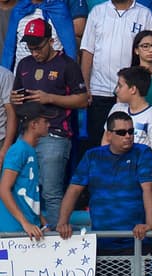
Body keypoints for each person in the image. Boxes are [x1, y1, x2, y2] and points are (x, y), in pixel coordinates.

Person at [12, 20, 89, 226]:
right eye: (30, 48)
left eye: (38, 47)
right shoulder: (24, 64)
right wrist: (15, 100)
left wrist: (50, 98)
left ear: (51, 40)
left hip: (55, 134)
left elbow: (83, 99)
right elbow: (16, 97)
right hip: (26, 135)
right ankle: (25, 237)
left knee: (51, 192)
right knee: (21, 188)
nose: (34, 52)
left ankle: (57, 241)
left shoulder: (67, 65)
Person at [80, 0, 152, 138]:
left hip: (131, 94)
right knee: (99, 142)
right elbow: (88, 50)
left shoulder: (145, 14)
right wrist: (85, 85)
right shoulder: (97, 12)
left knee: (128, 141)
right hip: (99, 91)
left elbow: (150, 54)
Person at [0, 102, 54, 241]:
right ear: (34, 125)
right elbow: (4, 189)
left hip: (31, 229)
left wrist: (43, 222)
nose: (49, 125)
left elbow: (30, 194)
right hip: (15, 231)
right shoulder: (19, 150)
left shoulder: (29, 150)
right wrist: (25, 223)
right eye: (45, 121)